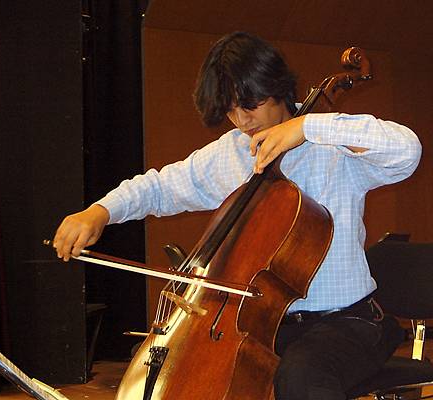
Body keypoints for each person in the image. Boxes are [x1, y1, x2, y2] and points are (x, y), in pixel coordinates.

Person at [53, 32, 422, 399]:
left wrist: (306, 127)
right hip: (266, 326)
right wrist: (101, 211)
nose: (242, 121)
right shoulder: (231, 153)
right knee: (175, 370)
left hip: (347, 322)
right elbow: (160, 187)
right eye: (230, 111)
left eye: (250, 104)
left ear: (277, 87)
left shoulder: (334, 148)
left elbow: (407, 149)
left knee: (300, 379)